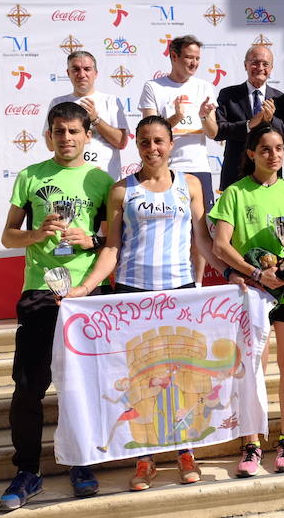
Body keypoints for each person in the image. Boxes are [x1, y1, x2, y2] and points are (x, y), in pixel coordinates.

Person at [67, 115, 229, 491]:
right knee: (141, 379)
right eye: (144, 142)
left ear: (171, 144)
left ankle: (185, 451)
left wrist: (233, 275)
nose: (152, 148)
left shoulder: (189, 186)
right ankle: (144, 459)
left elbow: (203, 243)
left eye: (159, 141)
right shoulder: (122, 191)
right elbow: (111, 248)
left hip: (178, 293)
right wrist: (85, 288)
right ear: (136, 146)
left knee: (182, 374)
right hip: (132, 293)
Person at [0, 101, 115, 510]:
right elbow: (8, 236)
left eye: (73, 131)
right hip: (39, 293)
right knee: (29, 388)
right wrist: (36, 234)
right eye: (58, 131)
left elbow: (113, 242)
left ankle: (81, 462)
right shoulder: (31, 177)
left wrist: (91, 241)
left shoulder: (102, 181)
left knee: (82, 386)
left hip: (84, 297)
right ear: (49, 135)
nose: (66, 138)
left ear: (88, 136)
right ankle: (27, 471)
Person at [209, 122, 284, 476]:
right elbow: (220, 246)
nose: (274, 155)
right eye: (266, 149)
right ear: (251, 153)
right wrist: (256, 274)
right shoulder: (235, 194)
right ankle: (251, 444)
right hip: (252, 294)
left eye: (280, 149)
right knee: (253, 370)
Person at [138, 34, 219, 286]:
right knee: (167, 227)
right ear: (173, 57)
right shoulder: (154, 87)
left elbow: (214, 132)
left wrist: (205, 116)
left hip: (199, 169)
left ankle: (195, 284)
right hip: (166, 170)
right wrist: (174, 118)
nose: (194, 63)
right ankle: (167, 282)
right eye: (188, 58)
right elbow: (149, 130)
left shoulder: (204, 87)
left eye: (197, 58)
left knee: (200, 231)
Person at [215, 44, 284, 190]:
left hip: (269, 176)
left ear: (271, 69)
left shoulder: (281, 99)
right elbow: (219, 131)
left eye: (265, 64)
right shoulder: (228, 95)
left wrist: (272, 120)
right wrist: (249, 124)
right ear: (245, 65)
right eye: (255, 63)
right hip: (235, 175)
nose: (260, 67)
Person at [42, 51, 129, 178]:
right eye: (75, 69)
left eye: (87, 69)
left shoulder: (110, 101)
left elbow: (121, 142)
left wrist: (96, 120)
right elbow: (50, 145)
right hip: (69, 176)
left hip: (105, 176)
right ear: (68, 73)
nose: (81, 74)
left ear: (95, 73)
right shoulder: (57, 103)